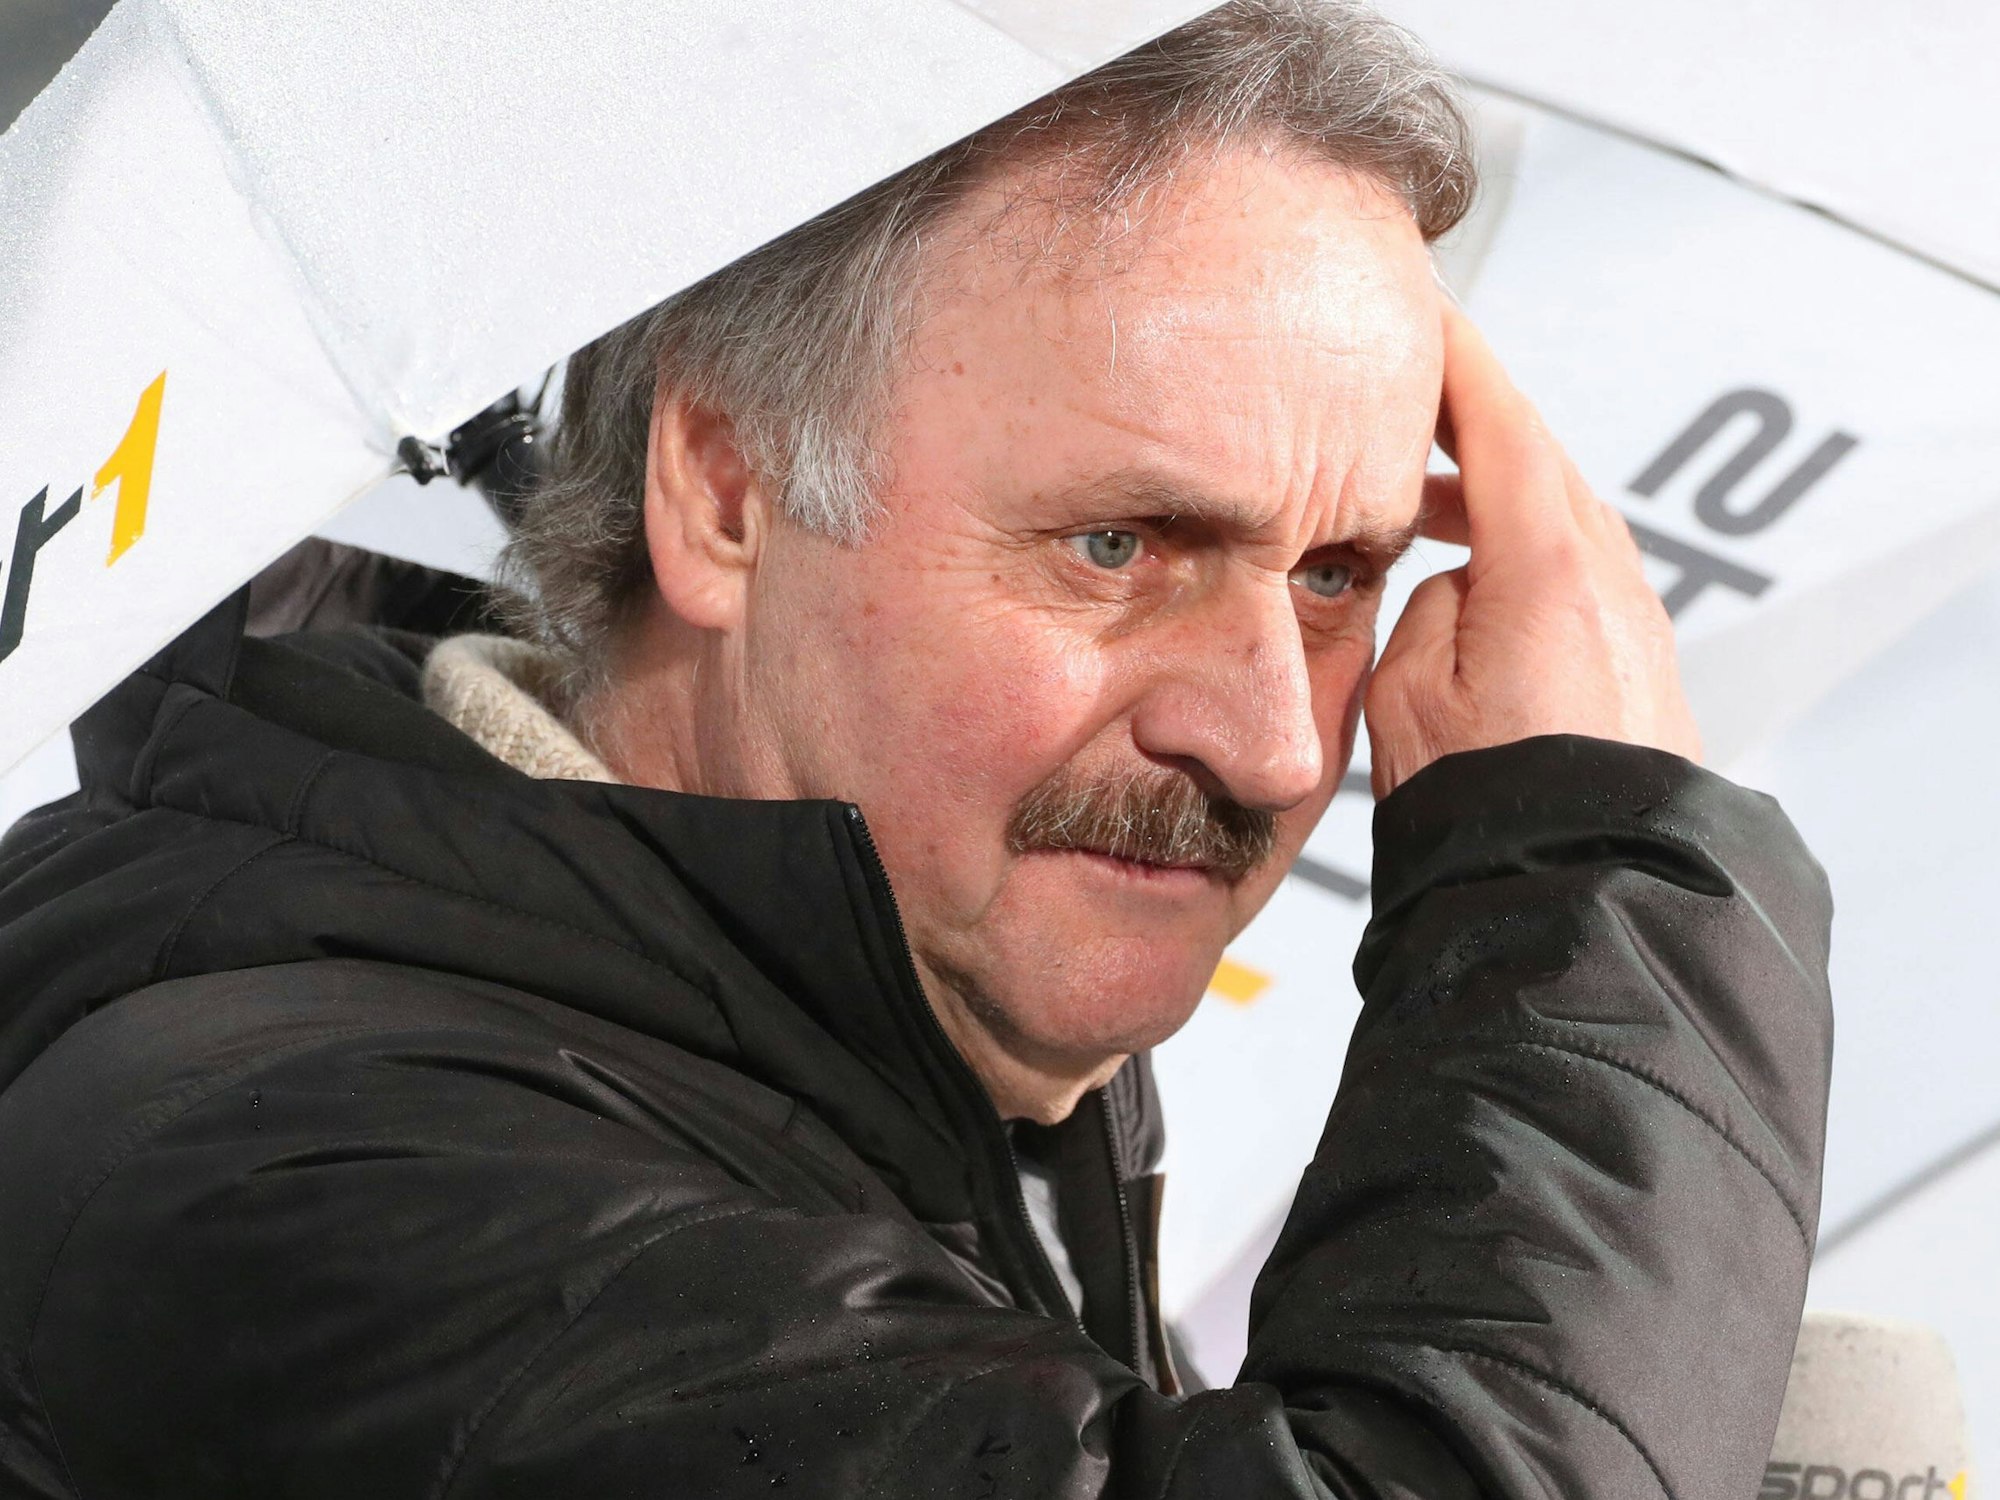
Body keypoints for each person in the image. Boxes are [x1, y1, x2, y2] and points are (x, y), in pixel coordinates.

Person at [0, 2, 1832, 1495]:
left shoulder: (910, 1037)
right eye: (1119, 546)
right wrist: (1594, 869)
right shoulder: (316, 1176)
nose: (1276, 742)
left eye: (1342, 571)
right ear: (721, 492)